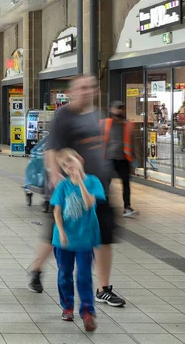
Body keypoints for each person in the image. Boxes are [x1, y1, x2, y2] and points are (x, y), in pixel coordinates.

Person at [26, 75, 126, 308]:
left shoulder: (96, 114)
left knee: (104, 238)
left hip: (96, 187)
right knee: (56, 238)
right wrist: (54, 174)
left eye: (90, 87)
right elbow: (52, 149)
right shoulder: (64, 115)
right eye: (81, 88)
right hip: (71, 192)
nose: (86, 91)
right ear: (73, 91)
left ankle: (104, 289)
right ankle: (36, 269)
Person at [51, 149, 105, 332]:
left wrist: (80, 181)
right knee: (64, 274)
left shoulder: (93, 181)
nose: (69, 167)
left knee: (83, 275)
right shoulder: (63, 186)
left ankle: (88, 312)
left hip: (85, 238)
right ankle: (67, 306)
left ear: (80, 160)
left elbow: (89, 203)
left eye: (70, 162)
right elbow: (57, 211)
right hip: (63, 239)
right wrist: (61, 232)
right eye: (64, 166)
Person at [102, 102, 135, 217]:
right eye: (118, 108)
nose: (120, 111)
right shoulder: (105, 123)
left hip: (123, 159)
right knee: (105, 183)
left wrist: (133, 162)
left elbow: (132, 144)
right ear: (111, 109)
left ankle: (127, 207)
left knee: (126, 183)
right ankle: (103, 205)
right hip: (108, 158)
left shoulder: (128, 125)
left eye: (122, 109)